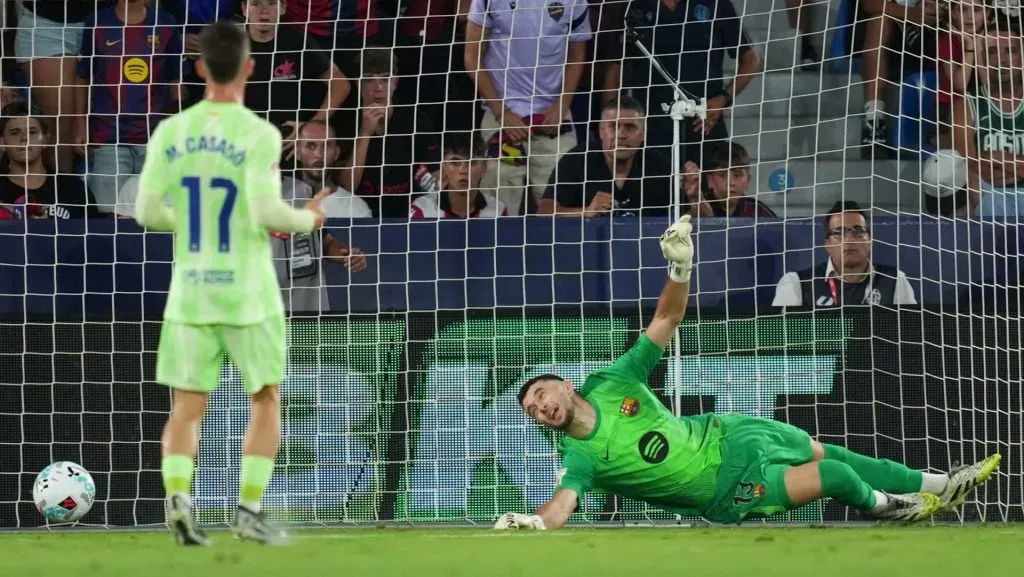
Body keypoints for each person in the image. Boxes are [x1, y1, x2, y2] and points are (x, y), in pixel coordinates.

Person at [495, 214, 1001, 530]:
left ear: (564, 384)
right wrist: (536, 523)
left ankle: (940, 485)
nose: (540, 406)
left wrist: (680, 270)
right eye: (534, 410)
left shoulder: (614, 381)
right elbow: (562, 504)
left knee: (829, 452)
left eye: (540, 393)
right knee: (835, 474)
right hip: (725, 491)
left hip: (731, 433)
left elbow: (667, 318)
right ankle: (891, 506)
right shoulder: (578, 455)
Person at [133, 20, 332, 546]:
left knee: (186, 408)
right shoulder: (260, 134)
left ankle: (179, 502)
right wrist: (310, 218)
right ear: (249, 66)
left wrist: (194, 223)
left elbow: (146, 211)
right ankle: (248, 511)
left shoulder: (171, 133)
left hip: (192, 291)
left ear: (199, 67)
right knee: (266, 398)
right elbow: (269, 211)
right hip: (248, 294)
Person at [75, 0, 183, 214]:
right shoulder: (97, 22)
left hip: (154, 140)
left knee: (156, 219)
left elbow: (175, 81)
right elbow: (83, 75)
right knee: (108, 219)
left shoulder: (166, 24)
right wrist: (80, 123)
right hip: (108, 139)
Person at [539, 96, 673, 218]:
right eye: (613, 126)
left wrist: (693, 201)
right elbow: (544, 211)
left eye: (630, 127)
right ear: (601, 131)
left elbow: (683, 216)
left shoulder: (659, 165)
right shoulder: (577, 160)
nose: (621, 135)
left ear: (643, 133)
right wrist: (586, 211)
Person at [771, 201, 916, 307]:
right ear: (827, 244)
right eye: (839, 232)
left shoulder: (895, 280)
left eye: (858, 231)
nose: (849, 239)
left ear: (870, 241)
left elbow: (911, 337)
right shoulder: (796, 283)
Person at [0, 102, 98, 220]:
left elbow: (95, 235)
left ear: (45, 140)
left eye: (32, 132)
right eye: (15, 133)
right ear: (2, 142)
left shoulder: (73, 188)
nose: (24, 138)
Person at [410, 132, 508, 218]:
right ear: (443, 166)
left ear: (484, 167)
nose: (463, 170)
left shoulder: (498, 211)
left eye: (471, 162)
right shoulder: (423, 210)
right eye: (455, 163)